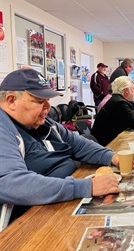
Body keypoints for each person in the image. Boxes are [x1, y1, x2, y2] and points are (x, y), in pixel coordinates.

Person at [0, 69, 121, 231]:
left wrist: (112, 156)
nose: (48, 108)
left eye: (48, 101)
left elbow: (80, 144)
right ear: (11, 101)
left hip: (66, 202)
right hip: (33, 223)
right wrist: (86, 187)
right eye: (40, 101)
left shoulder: (45, 123)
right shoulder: (3, 128)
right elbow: (12, 183)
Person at [92, 76, 134, 146]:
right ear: (126, 90)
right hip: (105, 144)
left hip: (107, 139)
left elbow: (128, 119)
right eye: (133, 88)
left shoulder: (117, 99)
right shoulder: (119, 102)